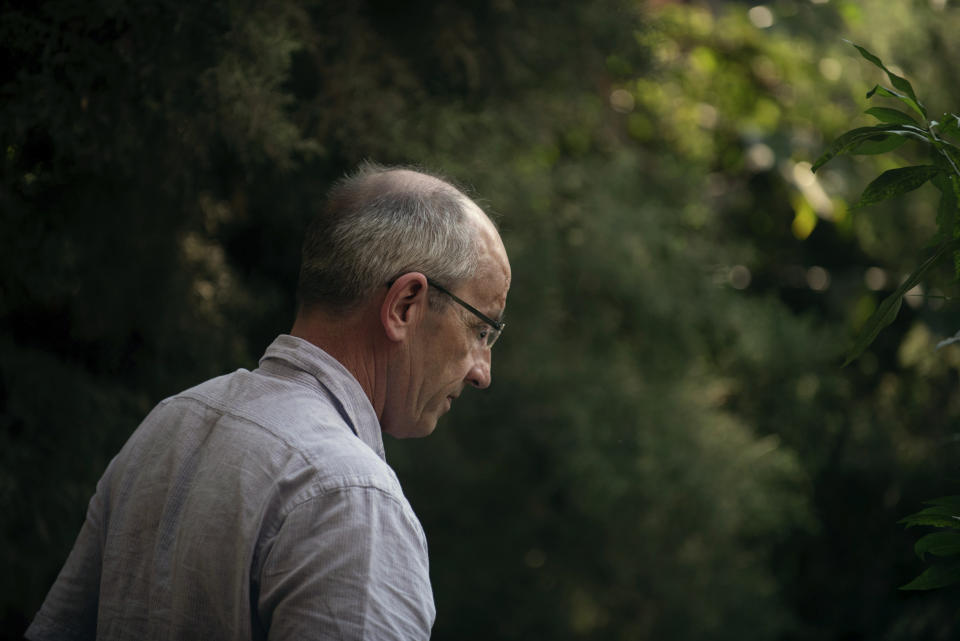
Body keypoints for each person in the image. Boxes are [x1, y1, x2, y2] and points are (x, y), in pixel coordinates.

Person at [25, 164, 511, 640]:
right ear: (405, 305)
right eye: (481, 329)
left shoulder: (170, 423)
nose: (481, 373)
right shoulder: (352, 501)